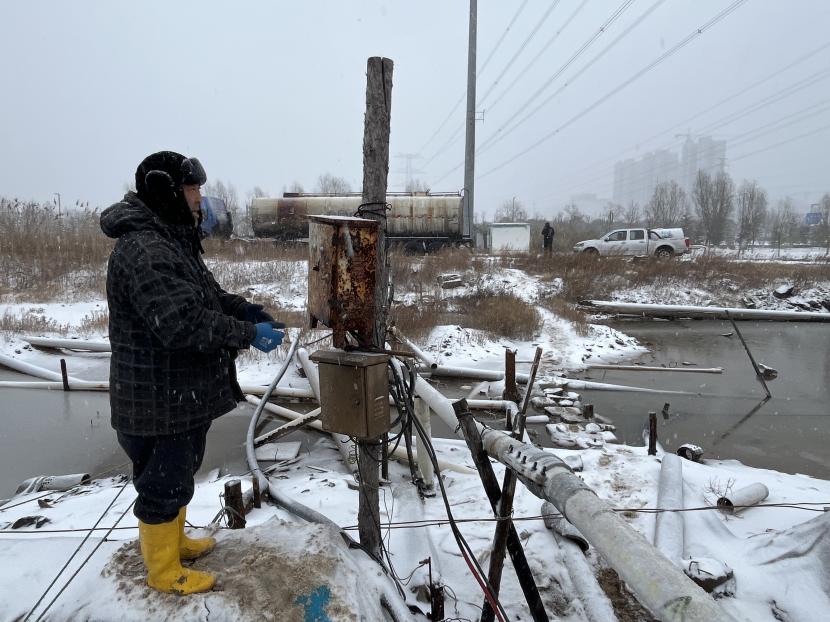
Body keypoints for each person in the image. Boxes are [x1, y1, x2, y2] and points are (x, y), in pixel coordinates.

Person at [100, 151, 285, 595]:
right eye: (192, 189)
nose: (200, 197)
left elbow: (205, 296)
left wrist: (243, 309)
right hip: (156, 400)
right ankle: (164, 571)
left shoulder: (170, 239)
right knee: (162, 485)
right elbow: (182, 323)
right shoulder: (145, 250)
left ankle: (175, 543)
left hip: (173, 396)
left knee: (178, 475)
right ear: (167, 192)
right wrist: (247, 333)